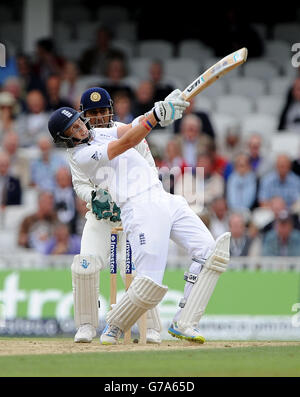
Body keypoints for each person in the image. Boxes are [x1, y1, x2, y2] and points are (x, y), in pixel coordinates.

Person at [48, 89, 231, 346]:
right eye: (72, 128)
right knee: (147, 282)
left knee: (212, 253)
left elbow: (129, 129)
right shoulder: (81, 155)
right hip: (139, 208)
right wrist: (154, 117)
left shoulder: (98, 131)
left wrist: (160, 110)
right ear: (64, 139)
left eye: (79, 122)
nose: (81, 128)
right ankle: (114, 325)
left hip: (162, 197)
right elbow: (126, 143)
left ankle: (185, 322)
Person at [69, 86, 164, 344]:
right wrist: (94, 197)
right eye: (93, 113)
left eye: (102, 111)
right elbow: (80, 184)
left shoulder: (129, 132)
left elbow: (150, 171)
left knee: (134, 271)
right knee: (84, 264)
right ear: (83, 114)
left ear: (110, 111)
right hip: (100, 219)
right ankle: (87, 325)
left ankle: (152, 327)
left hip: (132, 216)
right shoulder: (75, 142)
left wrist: (137, 200)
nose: (99, 117)